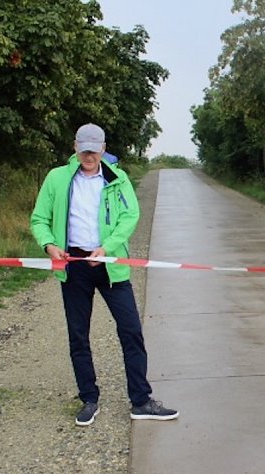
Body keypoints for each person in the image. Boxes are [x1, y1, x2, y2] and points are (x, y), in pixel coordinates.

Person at [30, 123, 178, 426]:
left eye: (94, 149)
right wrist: (48, 244)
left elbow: (130, 216)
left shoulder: (117, 178)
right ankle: (88, 399)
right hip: (73, 265)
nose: (88, 154)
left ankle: (140, 400)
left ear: (102, 148)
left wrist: (107, 247)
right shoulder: (57, 178)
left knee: (131, 331)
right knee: (78, 336)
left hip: (110, 264)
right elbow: (39, 219)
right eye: (83, 148)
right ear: (75, 147)